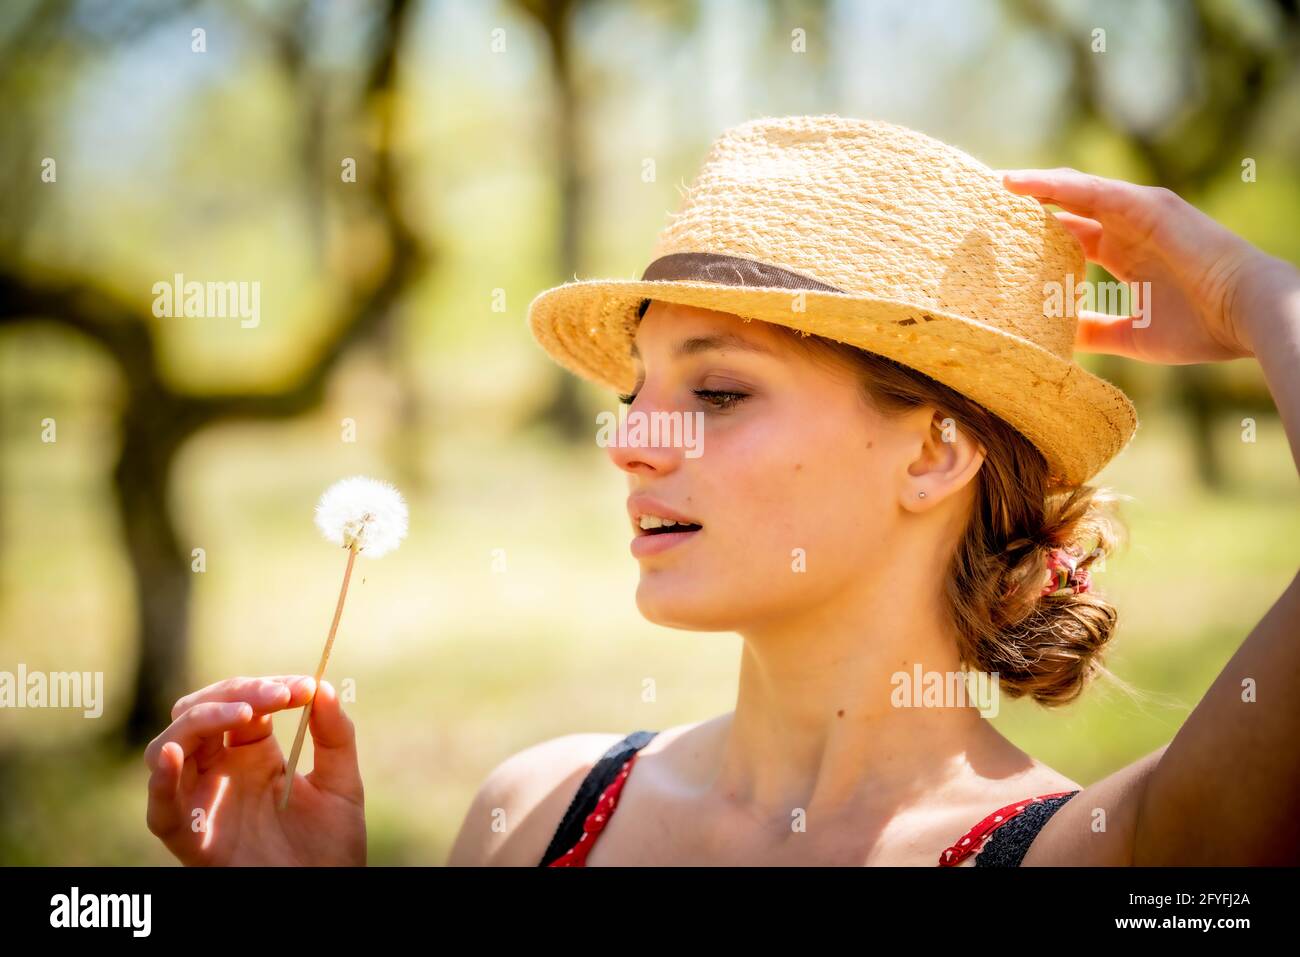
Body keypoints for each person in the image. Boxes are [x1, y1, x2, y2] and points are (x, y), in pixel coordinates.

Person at [144, 117, 1300, 866]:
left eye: (722, 394)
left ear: (934, 452)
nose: (631, 445)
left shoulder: (1114, 857)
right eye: (639, 387)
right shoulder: (532, 815)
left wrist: (1253, 290)